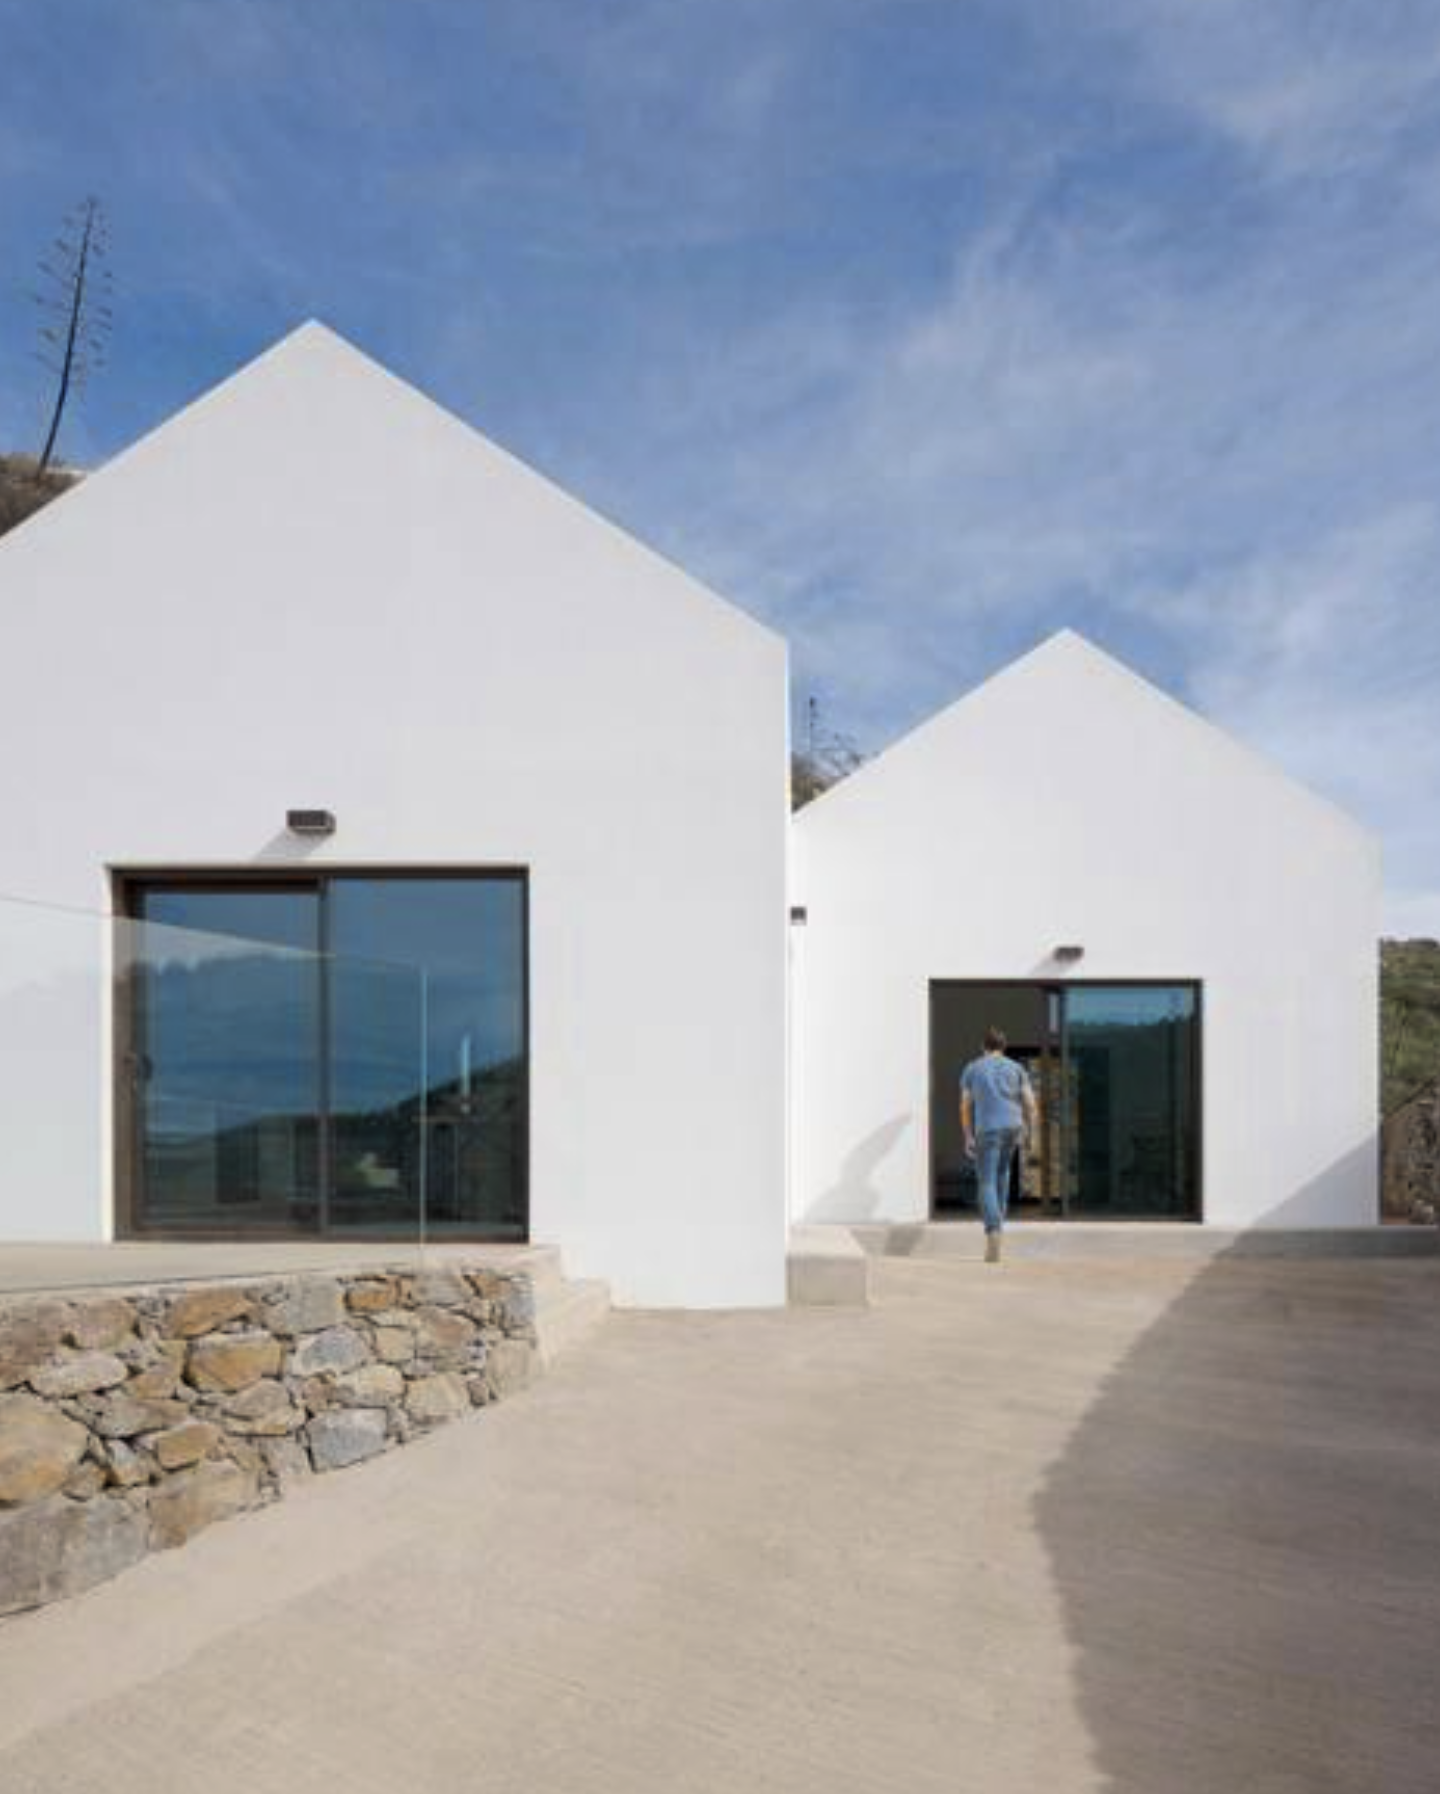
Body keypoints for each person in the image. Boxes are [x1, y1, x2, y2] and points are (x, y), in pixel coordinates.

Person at [961, 1026, 1038, 1263]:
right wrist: (1030, 1133)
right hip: (1012, 1128)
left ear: (983, 1047)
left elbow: (965, 1106)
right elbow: (1031, 1104)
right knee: (1003, 1175)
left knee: (986, 1181)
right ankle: (999, 1227)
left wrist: (967, 1136)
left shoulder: (973, 1069)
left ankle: (993, 1230)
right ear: (1003, 1047)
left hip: (988, 1129)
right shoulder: (1016, 1068)